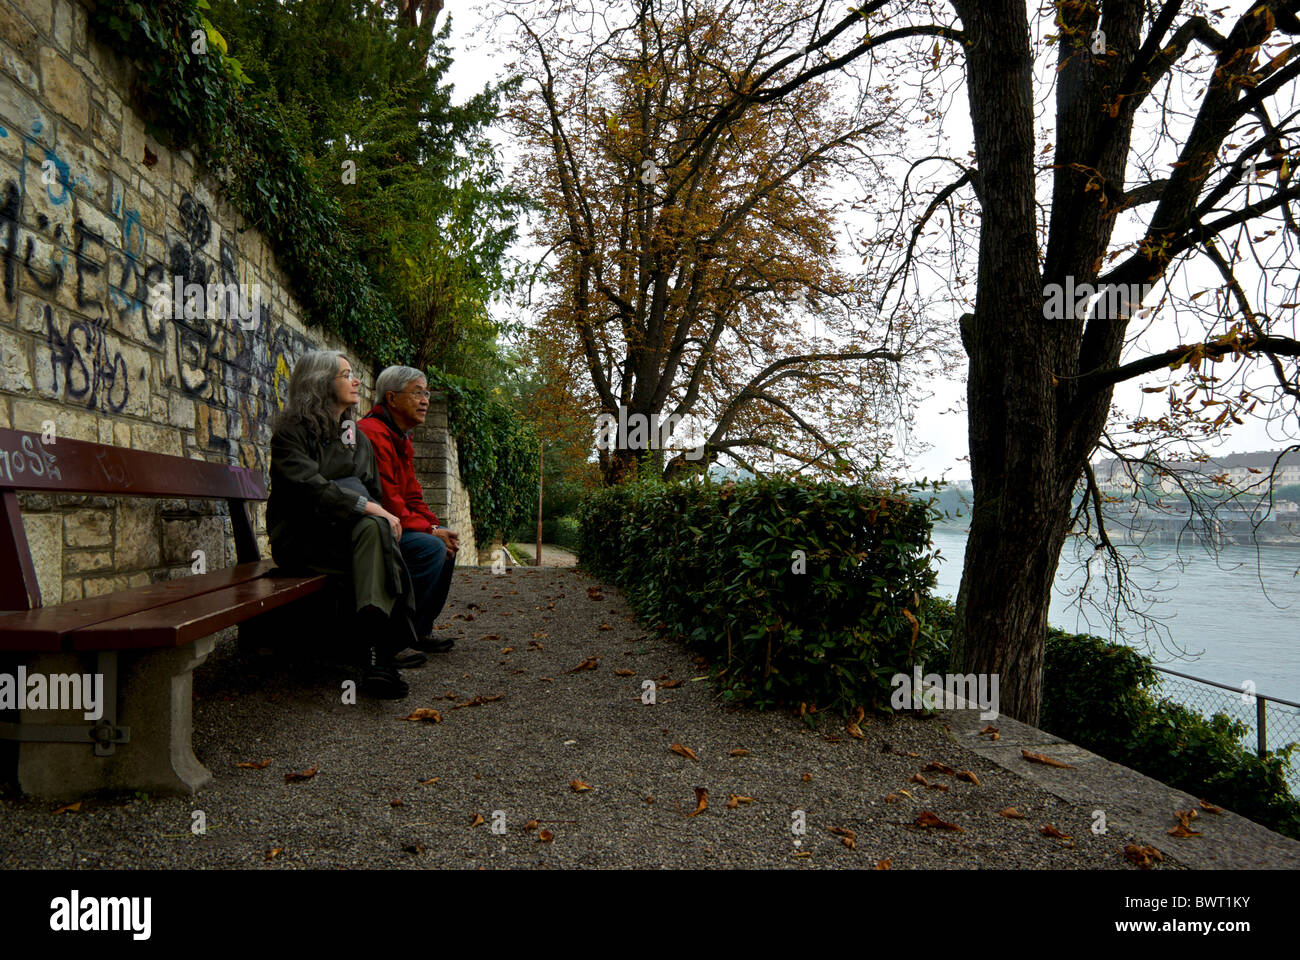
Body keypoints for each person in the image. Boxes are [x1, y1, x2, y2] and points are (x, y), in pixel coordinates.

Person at [266, 350, 421, 699]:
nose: (356, 382)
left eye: (355, 374)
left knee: (374, 529)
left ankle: (372, 655)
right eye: (346, 375)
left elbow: (372, 488)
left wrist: (373, 510)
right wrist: (366, 507)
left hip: (350, 537)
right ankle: (379, 652)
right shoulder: (290, 434)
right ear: (320, 382)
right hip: (302, 539)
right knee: (375, 528)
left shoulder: (356, 436)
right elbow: (310, 488)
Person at [358, 366, 460, 653]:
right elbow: (389, 501)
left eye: (426, 393)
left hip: (395, 524)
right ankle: (392, 635)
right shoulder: (373, 434)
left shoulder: (399, 435)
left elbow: (413, 495)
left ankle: (419, 629)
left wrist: (435, 526)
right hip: (374, 529)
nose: (425, 400)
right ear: (391, 398)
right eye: (417, 393)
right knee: (431, 547)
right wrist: (430, 531)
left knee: (446, 544)